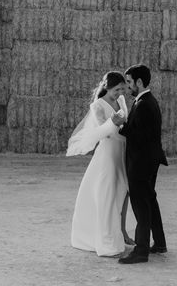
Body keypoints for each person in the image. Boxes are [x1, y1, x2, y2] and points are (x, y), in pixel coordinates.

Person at [67, 71, 135, 257]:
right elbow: (102, 133)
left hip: (122, 151)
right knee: (106, 194)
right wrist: (113, 122)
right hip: (108, 153)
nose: (120, 92)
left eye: (123, 88)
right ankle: (105, 241)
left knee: (121, 193)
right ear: (107, 87)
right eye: (116, 89)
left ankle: (119, 234)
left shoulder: (121, 101)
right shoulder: (97, 106)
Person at [113, 64, 168, 264]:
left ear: (139, 82)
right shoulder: (145, 101)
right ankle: (160, 243)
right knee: (150, 201)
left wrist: (121, 126)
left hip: (142, 163)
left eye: (129, 82)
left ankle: (141, 251)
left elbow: (140, 136)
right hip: (150, 160)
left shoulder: (144, 104)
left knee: (141, 206)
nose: (127, 87)